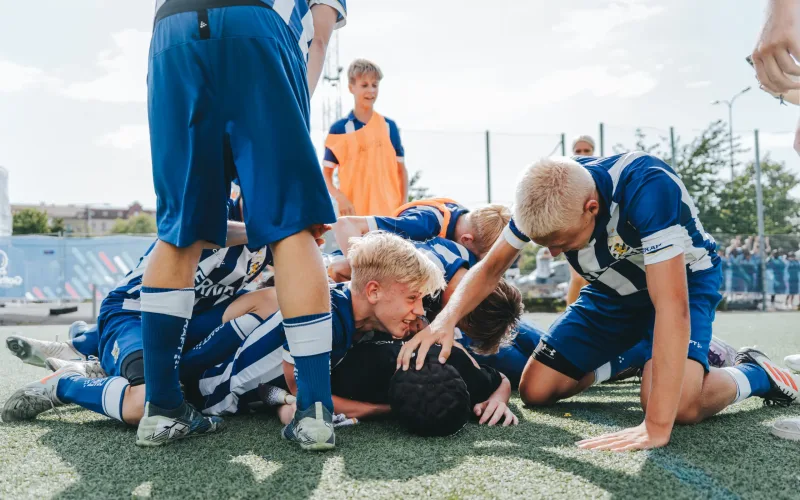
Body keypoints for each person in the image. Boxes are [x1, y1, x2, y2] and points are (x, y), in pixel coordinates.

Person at [401, 153, 800, 451]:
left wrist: (655, 426)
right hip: (613, 289)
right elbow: (489, 270)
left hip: (684, 284)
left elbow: (670, 307)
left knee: (677, 406)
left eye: (561, 243)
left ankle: (756, 373)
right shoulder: (546, 196)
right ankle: (642, 355)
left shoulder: (648, 186)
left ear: (592, 207)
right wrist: (444, 321)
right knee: (537, 390)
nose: (555, 254)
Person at [140, 0, 347, 449]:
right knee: (290, 222)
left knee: (180, 226)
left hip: (172, 30)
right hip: (257, 27)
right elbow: (321, 38)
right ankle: (313, 411)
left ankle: (161, 410)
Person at [323, 59, 407, 216]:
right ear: (351, 88)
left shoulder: (389, 127)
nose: (371, 90)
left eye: (375, 85)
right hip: (354, 216)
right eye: (364, 85)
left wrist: (403, 206)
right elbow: (326, 174)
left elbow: (401, 170)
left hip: (389, 215)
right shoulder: (339, 130)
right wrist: (340, 198)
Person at [333, 198, 510, 259]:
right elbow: (346, 224)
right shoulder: (420, 225)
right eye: (479, 256)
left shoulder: (463, 218)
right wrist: (361, 273)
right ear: (466, 240)